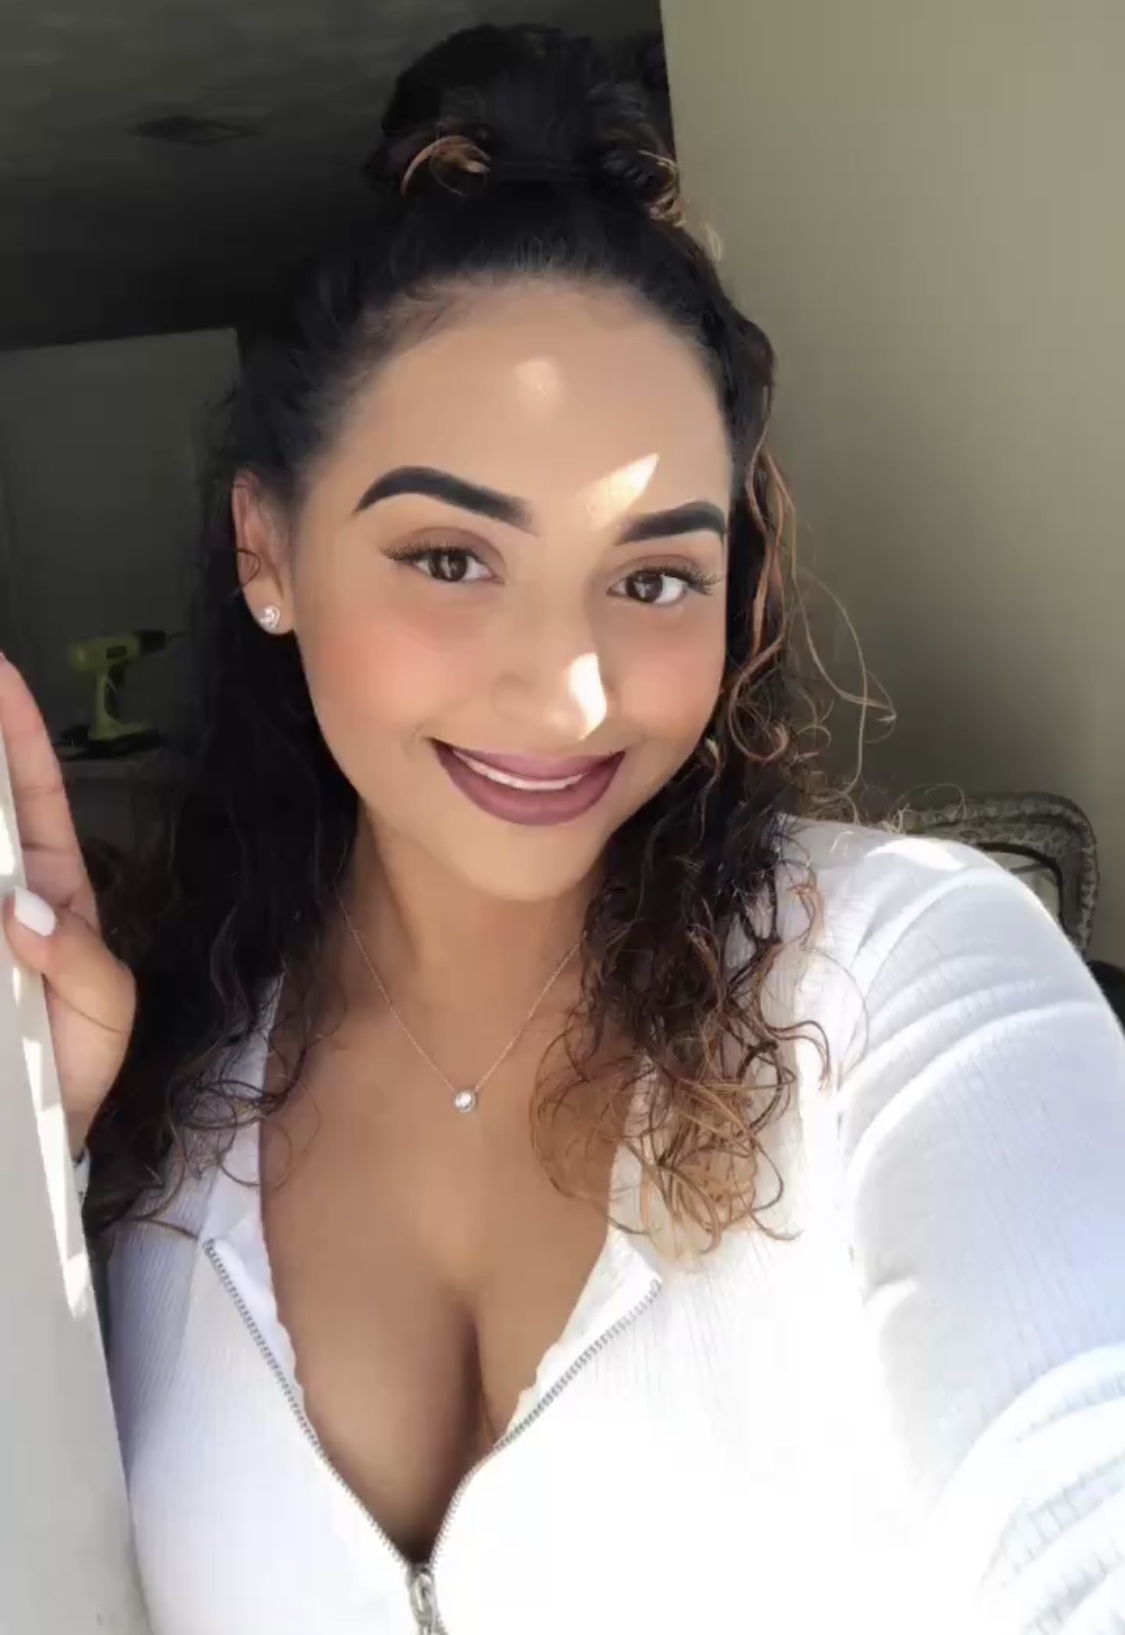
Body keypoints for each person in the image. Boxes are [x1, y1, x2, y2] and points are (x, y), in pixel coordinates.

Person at [2, 23, 1124, 1635]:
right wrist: (35, 1162)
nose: (572, 690)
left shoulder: (903, 983)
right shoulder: (161, 1096)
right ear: (267, 551)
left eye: (652, 576)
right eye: (450, 558)